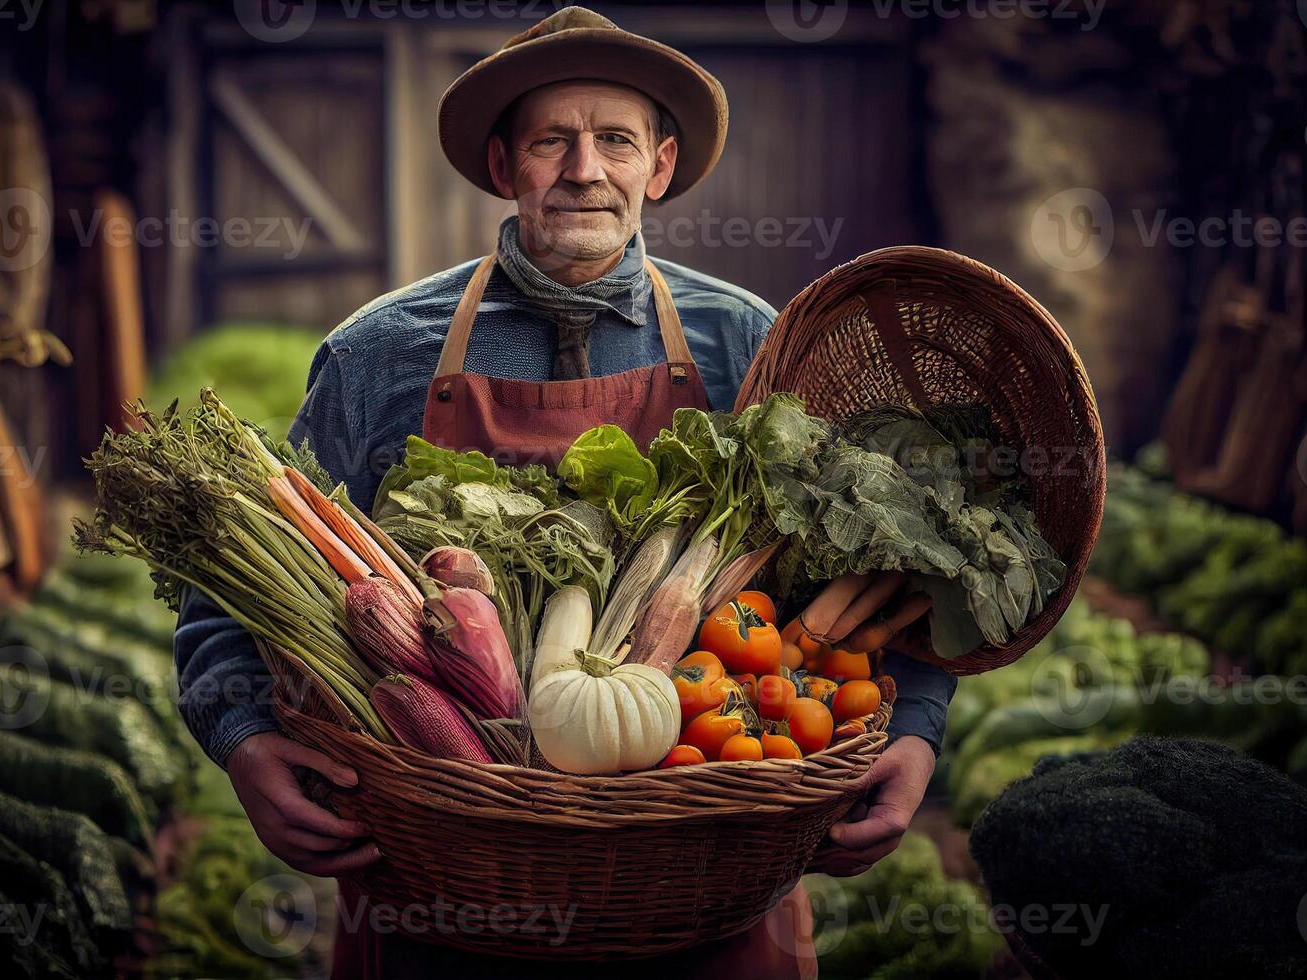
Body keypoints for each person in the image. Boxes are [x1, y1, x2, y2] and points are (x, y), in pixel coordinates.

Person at [173, 8, 954, 977]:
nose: (584, 169)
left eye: (615, 141)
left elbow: (886, 570)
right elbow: (233, 583)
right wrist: (242, 733)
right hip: (441, 879)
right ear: (505, 167)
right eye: (552, 141)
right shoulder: (380, 352)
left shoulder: (747, 342)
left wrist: (913, 731)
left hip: (704, 861)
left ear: (657, 167)